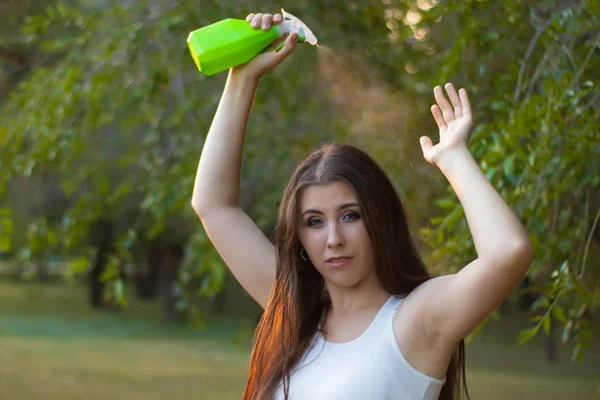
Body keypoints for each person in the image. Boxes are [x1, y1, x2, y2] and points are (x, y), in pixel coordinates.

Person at [191, 12, 533, 400]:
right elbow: (213, 205)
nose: (333, 239)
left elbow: (508, 253)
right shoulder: (295, 311)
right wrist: (243, 78)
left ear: (380, 220)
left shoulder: (415, 321)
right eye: (314, 222)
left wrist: (454, 158)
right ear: (299, 236)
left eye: (350, 216)